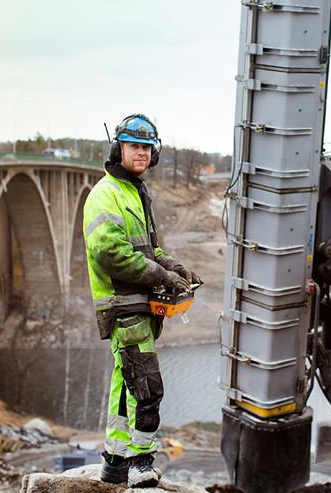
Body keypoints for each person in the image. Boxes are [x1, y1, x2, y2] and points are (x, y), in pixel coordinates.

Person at [83, 113, 201, 487]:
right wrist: (161, 276)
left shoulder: (135, 191)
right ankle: (141, 463)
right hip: (122, 303)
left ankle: (115, 461)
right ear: (118, 149)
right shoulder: (106, 194)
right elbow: (111, 252)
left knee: (126, 382)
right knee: (147, 384)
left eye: (147, 148)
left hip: (137, 303)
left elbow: (148, 247)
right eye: (134, 146)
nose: (142, 154)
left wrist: (175, 266)